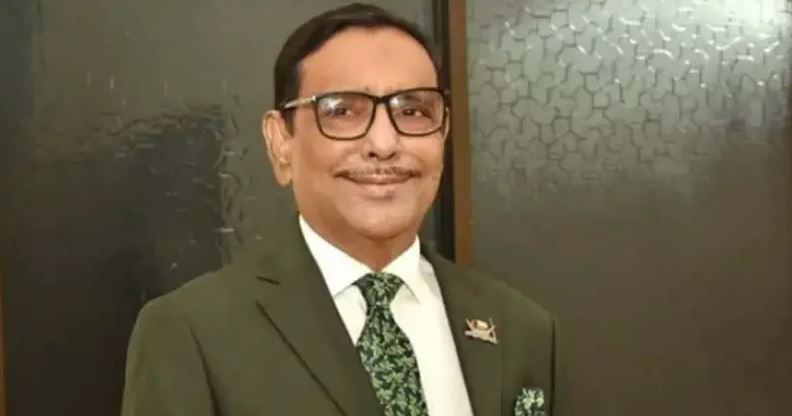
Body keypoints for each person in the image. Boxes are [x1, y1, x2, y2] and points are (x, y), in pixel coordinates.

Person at [121, 3, 558, 416]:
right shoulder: (192, 333)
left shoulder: (520, 328)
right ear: (280, 142)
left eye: (413, 110)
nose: (384, 144)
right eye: (344, 111)